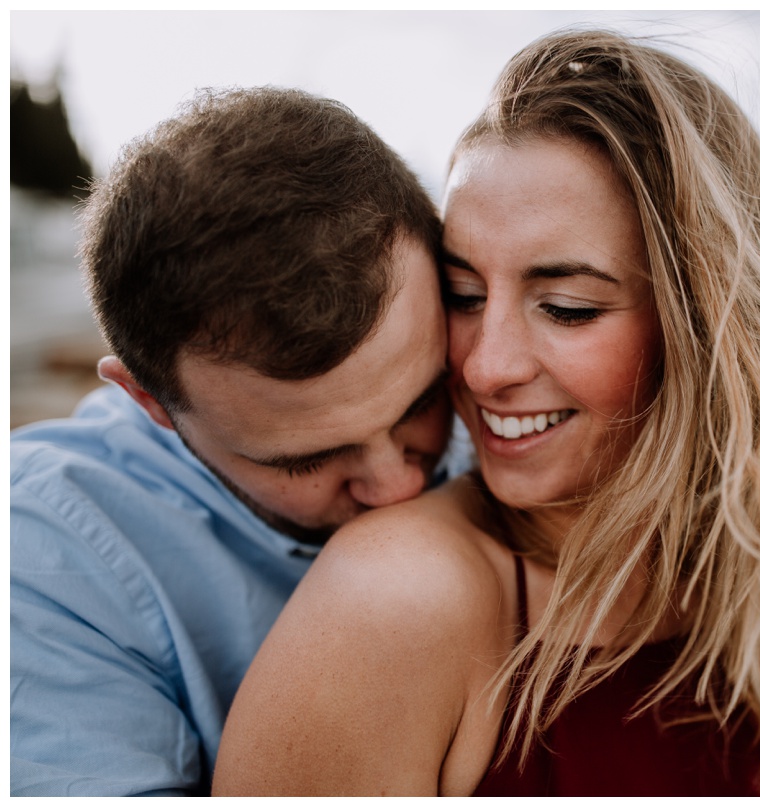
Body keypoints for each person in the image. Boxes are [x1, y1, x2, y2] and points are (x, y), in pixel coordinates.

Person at [214, 30, 760, 796]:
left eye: (567, 308)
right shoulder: (398, 600)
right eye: (464, 294)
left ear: (705, 331)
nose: (484, 365)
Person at [10, 87, 455, 796]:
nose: (400, 484)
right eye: (306, 458)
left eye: (425, 401)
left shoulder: (508, 424)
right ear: (152, 401)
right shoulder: (38, 561)